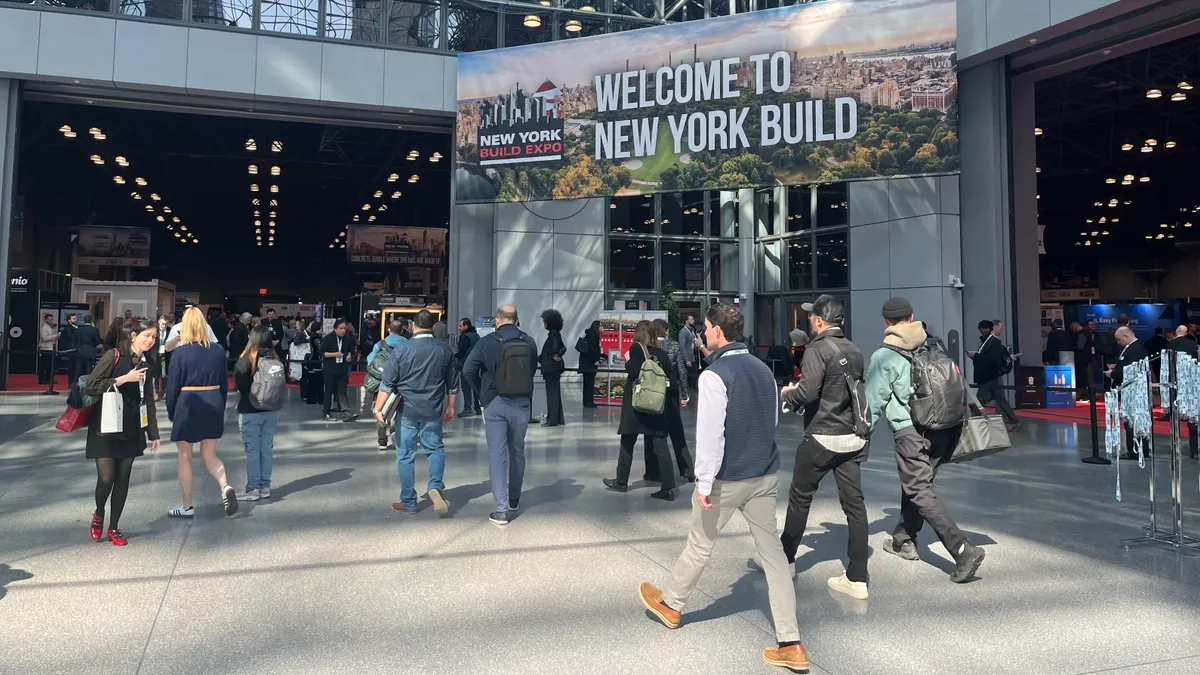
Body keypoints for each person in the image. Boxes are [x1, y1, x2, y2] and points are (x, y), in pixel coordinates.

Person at [637, 303, 807, 674]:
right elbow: (773, 419)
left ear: (716, 331)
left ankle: (671, 605)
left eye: (707, 328)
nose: (703, 334)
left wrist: (704, 482)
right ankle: (791, 643)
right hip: (764, 475)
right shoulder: (764, 370)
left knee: (700, 543)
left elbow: (712, 435)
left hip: (728, 478)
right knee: (774, 557)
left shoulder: (715, 375)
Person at [867, 297, 986, 583]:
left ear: (886, 322)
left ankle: (961, 550)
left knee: (919, 489)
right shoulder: (933, 344)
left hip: (912, 432)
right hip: (945, 427)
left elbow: (872, 403)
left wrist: (861, 436)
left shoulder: (884, 355)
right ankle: (902, 540)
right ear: (912, 317)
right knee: (919, 484)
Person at [776, 295, 871, 599]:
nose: (809, 320)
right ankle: (857, 578)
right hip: (851, 438)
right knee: (855, 506)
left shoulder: (816, 349)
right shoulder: (854, 350)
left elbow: (808, 391)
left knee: (800, 498)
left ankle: (786, 560)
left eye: (811, 317)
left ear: (818, 320)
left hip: (821, 438)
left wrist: (789, 394)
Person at [373, 310, 459, 516]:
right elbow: (453, 384)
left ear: (412, 326)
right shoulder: (445, 349)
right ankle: (435, 486)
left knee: (405, 455)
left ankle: (409, 502)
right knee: (435, 449)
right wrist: (451, 408)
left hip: (408, 410)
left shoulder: (403, 349)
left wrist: (378, 409)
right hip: (433, 409)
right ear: (433, 326)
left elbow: (387, 383)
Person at [84, 318, 160, 546]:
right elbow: (92, 385)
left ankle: (114, 527)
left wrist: (153, 433)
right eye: (147, 335)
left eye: (154, 337)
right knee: (106, 478)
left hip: (132, 425)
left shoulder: (148, 362)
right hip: (106, 423)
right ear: (134, 335)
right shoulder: (114, 355)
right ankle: (99, 513)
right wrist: (123, 379)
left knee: (123, 479)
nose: (151, 340)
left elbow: (148, 399)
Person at [462, 305, 538, 527]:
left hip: (495, 402)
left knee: (497, 455)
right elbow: (532, 368)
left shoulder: (486, 342)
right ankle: (514, 499)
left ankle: (501, 510)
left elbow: (468, 370)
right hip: (522, 402)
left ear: (497, 320)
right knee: (517, 451)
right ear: (517, 321)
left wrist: (482, 394)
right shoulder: (529, 341)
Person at [166, 307, 237, 518]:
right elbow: (224, 383)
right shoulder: (217, 350)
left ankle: (187, 506)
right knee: (210, 455)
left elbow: (172, 386)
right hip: (213, 401)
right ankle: (225, 486)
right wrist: (220, 404)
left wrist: (172, 412)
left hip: (188, 403)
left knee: (185, 457)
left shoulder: (180, 352)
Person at [602, 320, 676, 501]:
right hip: (656, 405)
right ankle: (667, 486)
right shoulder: (661, 353)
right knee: (660, 446)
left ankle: (621, 482)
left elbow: (634, 369)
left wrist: (627, 361)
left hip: (636, 404)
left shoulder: (636, 349)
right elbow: (671, 380)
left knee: (627, 441)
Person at [234, 325, 282, 502]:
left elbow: (241, 386)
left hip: (250, 410)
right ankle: (264, 486)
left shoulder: (247, 359)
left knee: (252, 450)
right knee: (266, 450)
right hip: (271, 410)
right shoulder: (275, 358)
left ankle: (252, 488)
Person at [649, 317, 694, 483]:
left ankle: (654, 471)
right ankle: (688, 470)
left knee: (654, 432)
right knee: (677, 432)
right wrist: (685, 394)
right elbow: (681, 370)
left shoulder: (649, 347)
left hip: (654, 392)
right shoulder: (674, 345)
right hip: (672, 391)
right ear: (665, 330)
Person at [969, 320, 1022, 431]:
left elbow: (993, 359)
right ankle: (1014, 421)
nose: (1001, 330)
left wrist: (976, 357)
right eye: (1000, 328)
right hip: (988, 375)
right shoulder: (987, 341)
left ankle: (973, 419)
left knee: (982, 398)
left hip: (990, 375)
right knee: (997, 398)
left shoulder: (993, 342)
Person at [1109, 326, 1150, 460]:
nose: (1118, 342)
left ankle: (1136, 451)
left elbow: (1131, 371)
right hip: (1129, 391)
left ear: (1126, 336)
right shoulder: (1132, 348)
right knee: (1130, 422)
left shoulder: (1136, 350)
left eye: (1118, 339)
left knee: (1133, 421)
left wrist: (1113, 373)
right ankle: (1135, 449)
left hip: (1134, 392)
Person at [368, 320, 409, 451]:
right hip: (401, 383)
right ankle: (395, 432)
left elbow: (370, 361)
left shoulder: (380, 344)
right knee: (399, 411)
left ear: (388, 330)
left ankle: (382, 441)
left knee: (380, 411)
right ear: (402, 330)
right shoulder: (407, 344)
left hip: (382, 383)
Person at [1164, 325, 1199, 457]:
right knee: (1192, 415)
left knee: (1174, 414)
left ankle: (1175, 443)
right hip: (1191, 383)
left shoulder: (1169, 345)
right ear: (1185, 333)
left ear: (1176, 332)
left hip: (1174, 382)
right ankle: (1194, 450)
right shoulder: (1192, 344)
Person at [320, 319, 355, 421]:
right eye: (341, 328)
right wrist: (334, 354)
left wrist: (349, 355)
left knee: (342, 391)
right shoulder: (328, 338)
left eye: (344, 328)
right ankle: (325, 413)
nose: (343, 330)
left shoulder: (347, 338)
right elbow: (322, 353)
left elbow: (350, 350)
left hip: (342, 368)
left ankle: (346, 411)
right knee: (329, 391)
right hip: (330, 369)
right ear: (335, 328)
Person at [539, 309, 567, 427]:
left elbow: (555, 348)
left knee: (552, 394)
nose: (544, 324)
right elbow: (562, 348)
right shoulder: (556, 333)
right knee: (554, 393)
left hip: (551, 368)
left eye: (545, 321)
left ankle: (552, 420)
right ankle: (558, 418)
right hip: (554, 368)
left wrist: (551, 355)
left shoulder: (553, 334)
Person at [456, 318, 482, 416]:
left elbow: (462, 352)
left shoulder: (465, 337)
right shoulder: (476, 336)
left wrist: (455, 356)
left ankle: (468, 408)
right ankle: (478, 407)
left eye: (460, 326)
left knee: (466, 387)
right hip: (476, 365)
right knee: (476, 387)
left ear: (466, 326)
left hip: (466, 365)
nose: (459, 328)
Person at [578, 320, 602, 408]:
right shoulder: (593, 336)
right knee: (589, 383)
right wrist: (595, 360)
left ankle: (586, 401)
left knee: (587, 383)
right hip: (589, 364)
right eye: (600, 326)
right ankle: (589, 401)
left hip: (585, 363)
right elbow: (592, 350)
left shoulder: (589, 334)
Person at [148, 316, 170, 401]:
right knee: (155, 375)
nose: (164, 326)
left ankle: (162, 391)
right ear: (159, 322)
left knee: (164, 375)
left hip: (164, 355)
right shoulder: (155, 330)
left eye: (165, 324)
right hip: (155, 355)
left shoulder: (169, 330)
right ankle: (155, 393)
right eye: (162, 324)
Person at [76, 314, 103, 380]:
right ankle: (88, 383)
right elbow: (97, 341)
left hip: (80, 351)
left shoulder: (79, 329)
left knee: (79, 369)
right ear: (91, 321)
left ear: (84, 320)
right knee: (89, 369)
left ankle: (76, 384)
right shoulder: (94, 330)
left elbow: (76, 340)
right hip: (91, 352)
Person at [677, 314, 700, 388]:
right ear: (686, 321)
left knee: (695, 377)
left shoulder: (692, 330)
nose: (693, 321)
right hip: (688, 358)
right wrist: (687, 360)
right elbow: (682, 347)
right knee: (691, 377)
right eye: (691, 319)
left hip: (694, 356)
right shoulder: (683, 332)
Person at [58, 313, 80, 388]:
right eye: (74, 319)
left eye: (76, 319)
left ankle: (74, 382)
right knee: (72, 367)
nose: (76, 320)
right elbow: (72, 337)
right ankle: (71, 383)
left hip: (76, 349)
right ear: (69, 320)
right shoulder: (68, 328)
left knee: (75, 366)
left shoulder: (77, 327)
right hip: (71, 350)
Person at [38, 313, 59, 385]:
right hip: (45, 348)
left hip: (50, 348)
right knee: (44, 365)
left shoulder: (50, 327)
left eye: (52, 320)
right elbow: (44, 338)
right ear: (46, 320)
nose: (51, 321)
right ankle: (42, 379)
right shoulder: (44, 328)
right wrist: (55, 336)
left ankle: (48, 379)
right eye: (50, 320)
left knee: (50, 365)